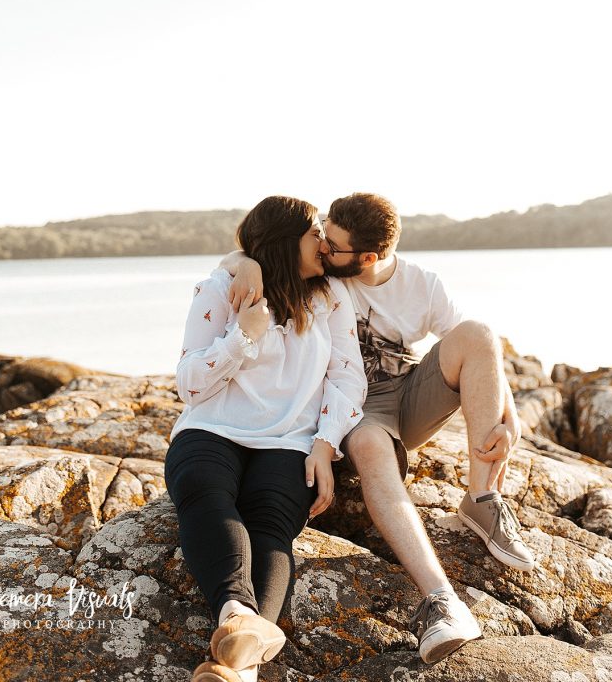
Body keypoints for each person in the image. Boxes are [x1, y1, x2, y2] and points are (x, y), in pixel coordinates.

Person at [223, 192, 535, 666]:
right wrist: (243, 262)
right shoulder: (324, 270)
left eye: (334, 245)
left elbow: (482, 353)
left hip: (407, 395)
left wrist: (511, 415)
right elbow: (265, 247)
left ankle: (482, 499)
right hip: (355, 407)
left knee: (477, 332)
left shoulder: (422, 285)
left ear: (368, 257)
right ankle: (442, 600)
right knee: (369, 443)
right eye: (323, 235)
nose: (323, 247)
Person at [165, 196, 367, 682]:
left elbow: (347, 377)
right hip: (212, 427)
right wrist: (243, 337)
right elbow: (189, 385)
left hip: (291, 439)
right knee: (205, 491)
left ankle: (235, 658)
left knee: (270, 523)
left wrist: (326, 442)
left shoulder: (331, 297)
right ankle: (240, 625)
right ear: (284, 239)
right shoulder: (220, 290)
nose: (324, 242)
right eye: (315, 232)